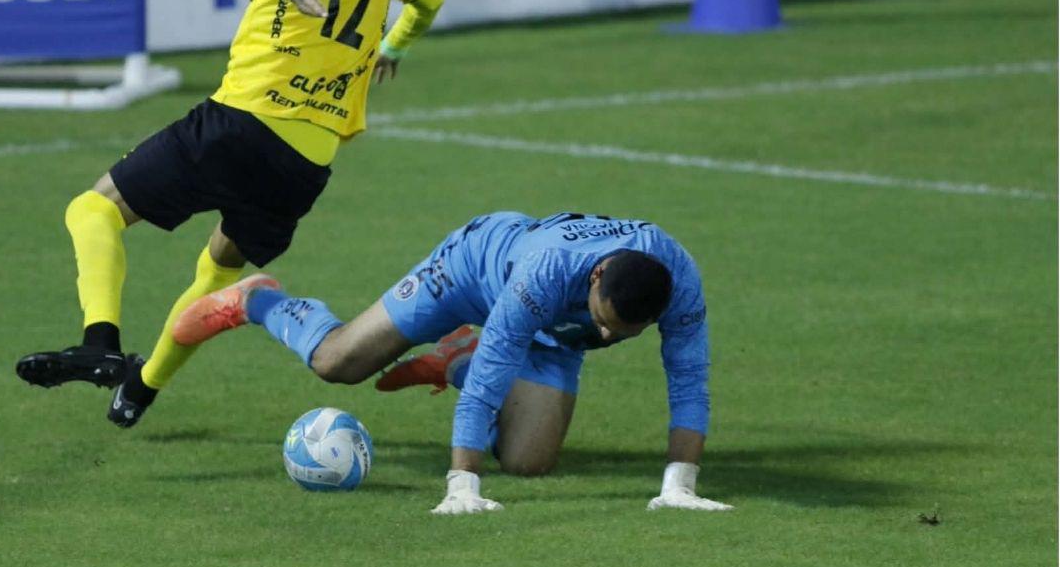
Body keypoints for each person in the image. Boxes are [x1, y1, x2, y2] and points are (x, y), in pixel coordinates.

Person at [16, 0, 445, 428]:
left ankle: (100, 343)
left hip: (241, 123)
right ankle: (141, 387)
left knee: (93, 210)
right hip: (306, 163)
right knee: (217, 272)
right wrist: (393, 44)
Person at [173, 211, 732, 515]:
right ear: (594, 278)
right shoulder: (546, 271)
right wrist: (462, 485)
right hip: (472, 272)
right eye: (606, 320)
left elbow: (689, 380)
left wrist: (680, 484)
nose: (608, 335)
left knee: (528, 463)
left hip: (548, 331)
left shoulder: (678, 281)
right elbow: (496, 374)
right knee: (337, 362)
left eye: (624, 333)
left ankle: (456, 359)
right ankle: (258, 300)